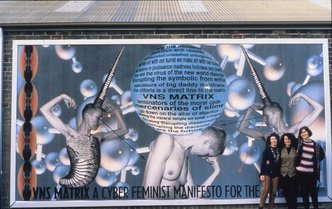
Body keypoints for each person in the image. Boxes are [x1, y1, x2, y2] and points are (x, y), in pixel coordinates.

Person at [40, 47, 128, 188]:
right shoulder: (70, 133)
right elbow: (44, 110)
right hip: (72, 180)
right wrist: (63, 96)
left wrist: (116, 111)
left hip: (81, 181)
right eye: (98, 117)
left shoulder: (98, 137)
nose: (99, 121)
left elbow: (123, 130)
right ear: (87, 116)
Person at [143, 126, 226, 199]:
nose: (204, 157)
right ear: (205, 142)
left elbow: (192, 196)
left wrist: (216, 172)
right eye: (207, 154)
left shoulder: (185, 155)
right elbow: (149, 194)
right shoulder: (166, 140)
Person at [296, 126, 325, 209]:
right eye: (301, 133)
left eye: (304, 132)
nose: (303, 134)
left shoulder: (316, 145)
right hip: (300, 172)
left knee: (313, 192)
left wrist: (313, 161)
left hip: (311, 173)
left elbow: (322, 156)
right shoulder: (299, 144)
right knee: (304, 192)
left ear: (308, 132)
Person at [256, 133, 281, 209]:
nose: (274, 140)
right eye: (272, 139)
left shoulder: (279, 149)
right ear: (270, 141)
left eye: (275, 139)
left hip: (276, 172)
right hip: (267, 172)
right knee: (265, 190)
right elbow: (263, 162)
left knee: (273, 192)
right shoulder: (267, 150)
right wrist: (261, 173)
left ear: (277, 140)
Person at [280, 133, 299, 209]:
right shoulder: (281, 149)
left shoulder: (296, 149)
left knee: (293, 193)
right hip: (283, 174)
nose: (287, 141)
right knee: (286, 193)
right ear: (283, 141)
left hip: (293, 174)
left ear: (291, 140)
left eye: (288, 139)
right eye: (285, 139)